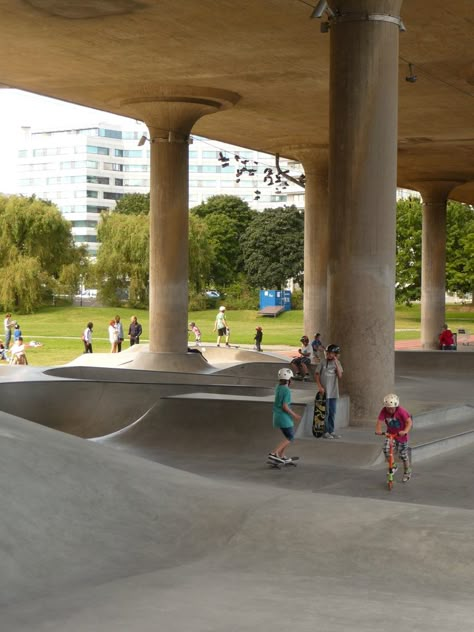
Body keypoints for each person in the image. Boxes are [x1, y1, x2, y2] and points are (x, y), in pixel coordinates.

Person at [375, 393, 413, 482]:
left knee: (403, 455)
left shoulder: (401, 411)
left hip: (401, 436)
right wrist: (378, 430)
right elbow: (379, 421)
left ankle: (407, 471)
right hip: (390, 435)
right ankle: (393, 465)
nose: (390, 410)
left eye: (392, 408)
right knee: (386, 449)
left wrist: (405, 431)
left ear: (396, 406)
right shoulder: (384, 410)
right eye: (388, 408)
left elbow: (409, 422)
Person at [268, 368, 301, 464]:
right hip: (284, 417)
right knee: (290, 437)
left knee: (288, 436)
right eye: (291, 378)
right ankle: (274, 453)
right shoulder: (286, 390)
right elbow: (285, 406)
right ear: (289, 380)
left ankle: (282, 456)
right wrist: (294, 415)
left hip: (277, 416)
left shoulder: (278, 387)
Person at [315, 344, 343, 439]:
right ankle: (325, 431)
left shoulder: (337, 363)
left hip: (334, 392)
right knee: (325, 412)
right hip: (325, 392)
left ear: (335, 354)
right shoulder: (323, 362)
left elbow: (340, 376)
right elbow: (317, 375)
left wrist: (336, 363)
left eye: (330, 353)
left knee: (332, 412)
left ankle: (331, 430)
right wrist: (319, 386)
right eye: (327, 353)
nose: (328, 355)